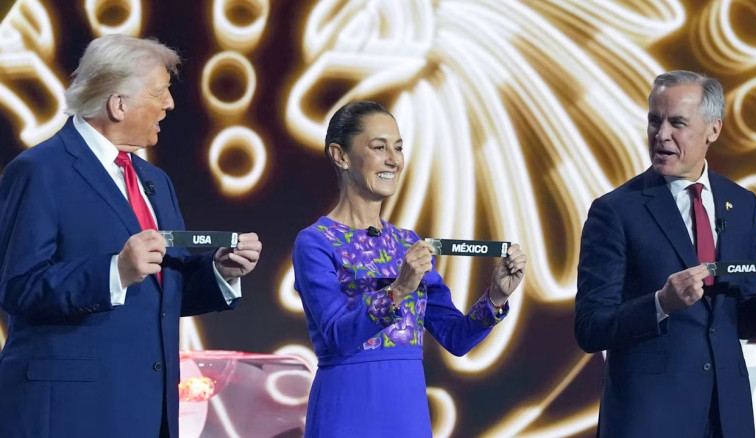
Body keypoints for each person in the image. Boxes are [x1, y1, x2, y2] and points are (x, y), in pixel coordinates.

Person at [0, 35, 262, 437]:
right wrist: (115, 272)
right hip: (72, 414)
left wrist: (220, 272)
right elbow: (18, 285)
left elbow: (161, 295)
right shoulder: (39, 170)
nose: (170, 104)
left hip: (148, 412)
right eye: (159, 93)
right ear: (118, 104)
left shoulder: (154, 181)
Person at [292, 100, 527, 437]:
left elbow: (456, 338)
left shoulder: (408, 243)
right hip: (347, 410)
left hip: (407, 415)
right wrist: (399, 289)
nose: (394, 159)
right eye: (379, 147)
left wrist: (496, 297)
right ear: (340, 155)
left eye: (399, 148)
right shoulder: (315, 242)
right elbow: (337, 335)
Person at [575, 70, 756, 437]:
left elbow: (737, 317)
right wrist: (661, 304)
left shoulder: (742, 204)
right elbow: (591, 327)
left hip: (726, 417)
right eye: (655, 121)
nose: (661, 134)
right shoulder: (616, 211)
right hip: (650, 419)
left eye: (678, 123)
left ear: (713, 130)